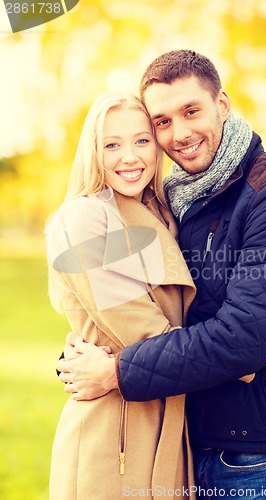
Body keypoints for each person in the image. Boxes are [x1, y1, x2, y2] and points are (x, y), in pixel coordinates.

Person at [57, 50, 266, 499]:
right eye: (162, 121)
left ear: (222, 105)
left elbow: (239, 337)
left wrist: (117, 371)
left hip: (256, 457)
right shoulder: (179, 201)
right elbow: (161, 318)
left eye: (191, 111)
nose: (179, 134)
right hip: (184, 440)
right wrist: (87, 355)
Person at [46, 92, 199, 499]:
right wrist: (259, 352)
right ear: (94, 151)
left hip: (166, 426)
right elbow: (150, 336)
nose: (129, 157)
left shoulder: (161, 213)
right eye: (112, 144)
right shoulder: (84, 220)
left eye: (142, 140)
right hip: (113, 435)